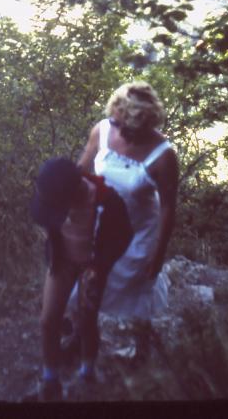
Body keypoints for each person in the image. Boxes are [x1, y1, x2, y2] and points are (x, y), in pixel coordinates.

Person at [75, 81, 179, 326]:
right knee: (88, 286)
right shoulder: (102, 130)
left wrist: (158, 253)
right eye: (114, 117)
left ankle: (137, 351)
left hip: (138, 235)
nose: (115, 124)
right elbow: (80, 172)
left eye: (121, 121)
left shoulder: (164, 156)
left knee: (131, 297)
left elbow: (167, 207)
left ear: (142, 123)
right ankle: (82, 343)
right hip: (98, 227)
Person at [30, 156, 133, 401]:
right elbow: (45, 216)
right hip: (62, 262)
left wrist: (100, 266)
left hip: (91, 266)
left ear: (75, 191)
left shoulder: (107, 202)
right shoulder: (53, 191)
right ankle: (50, 379)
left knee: (86, 320)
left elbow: (124, 235)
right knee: (48, 320)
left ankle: (88, 372)